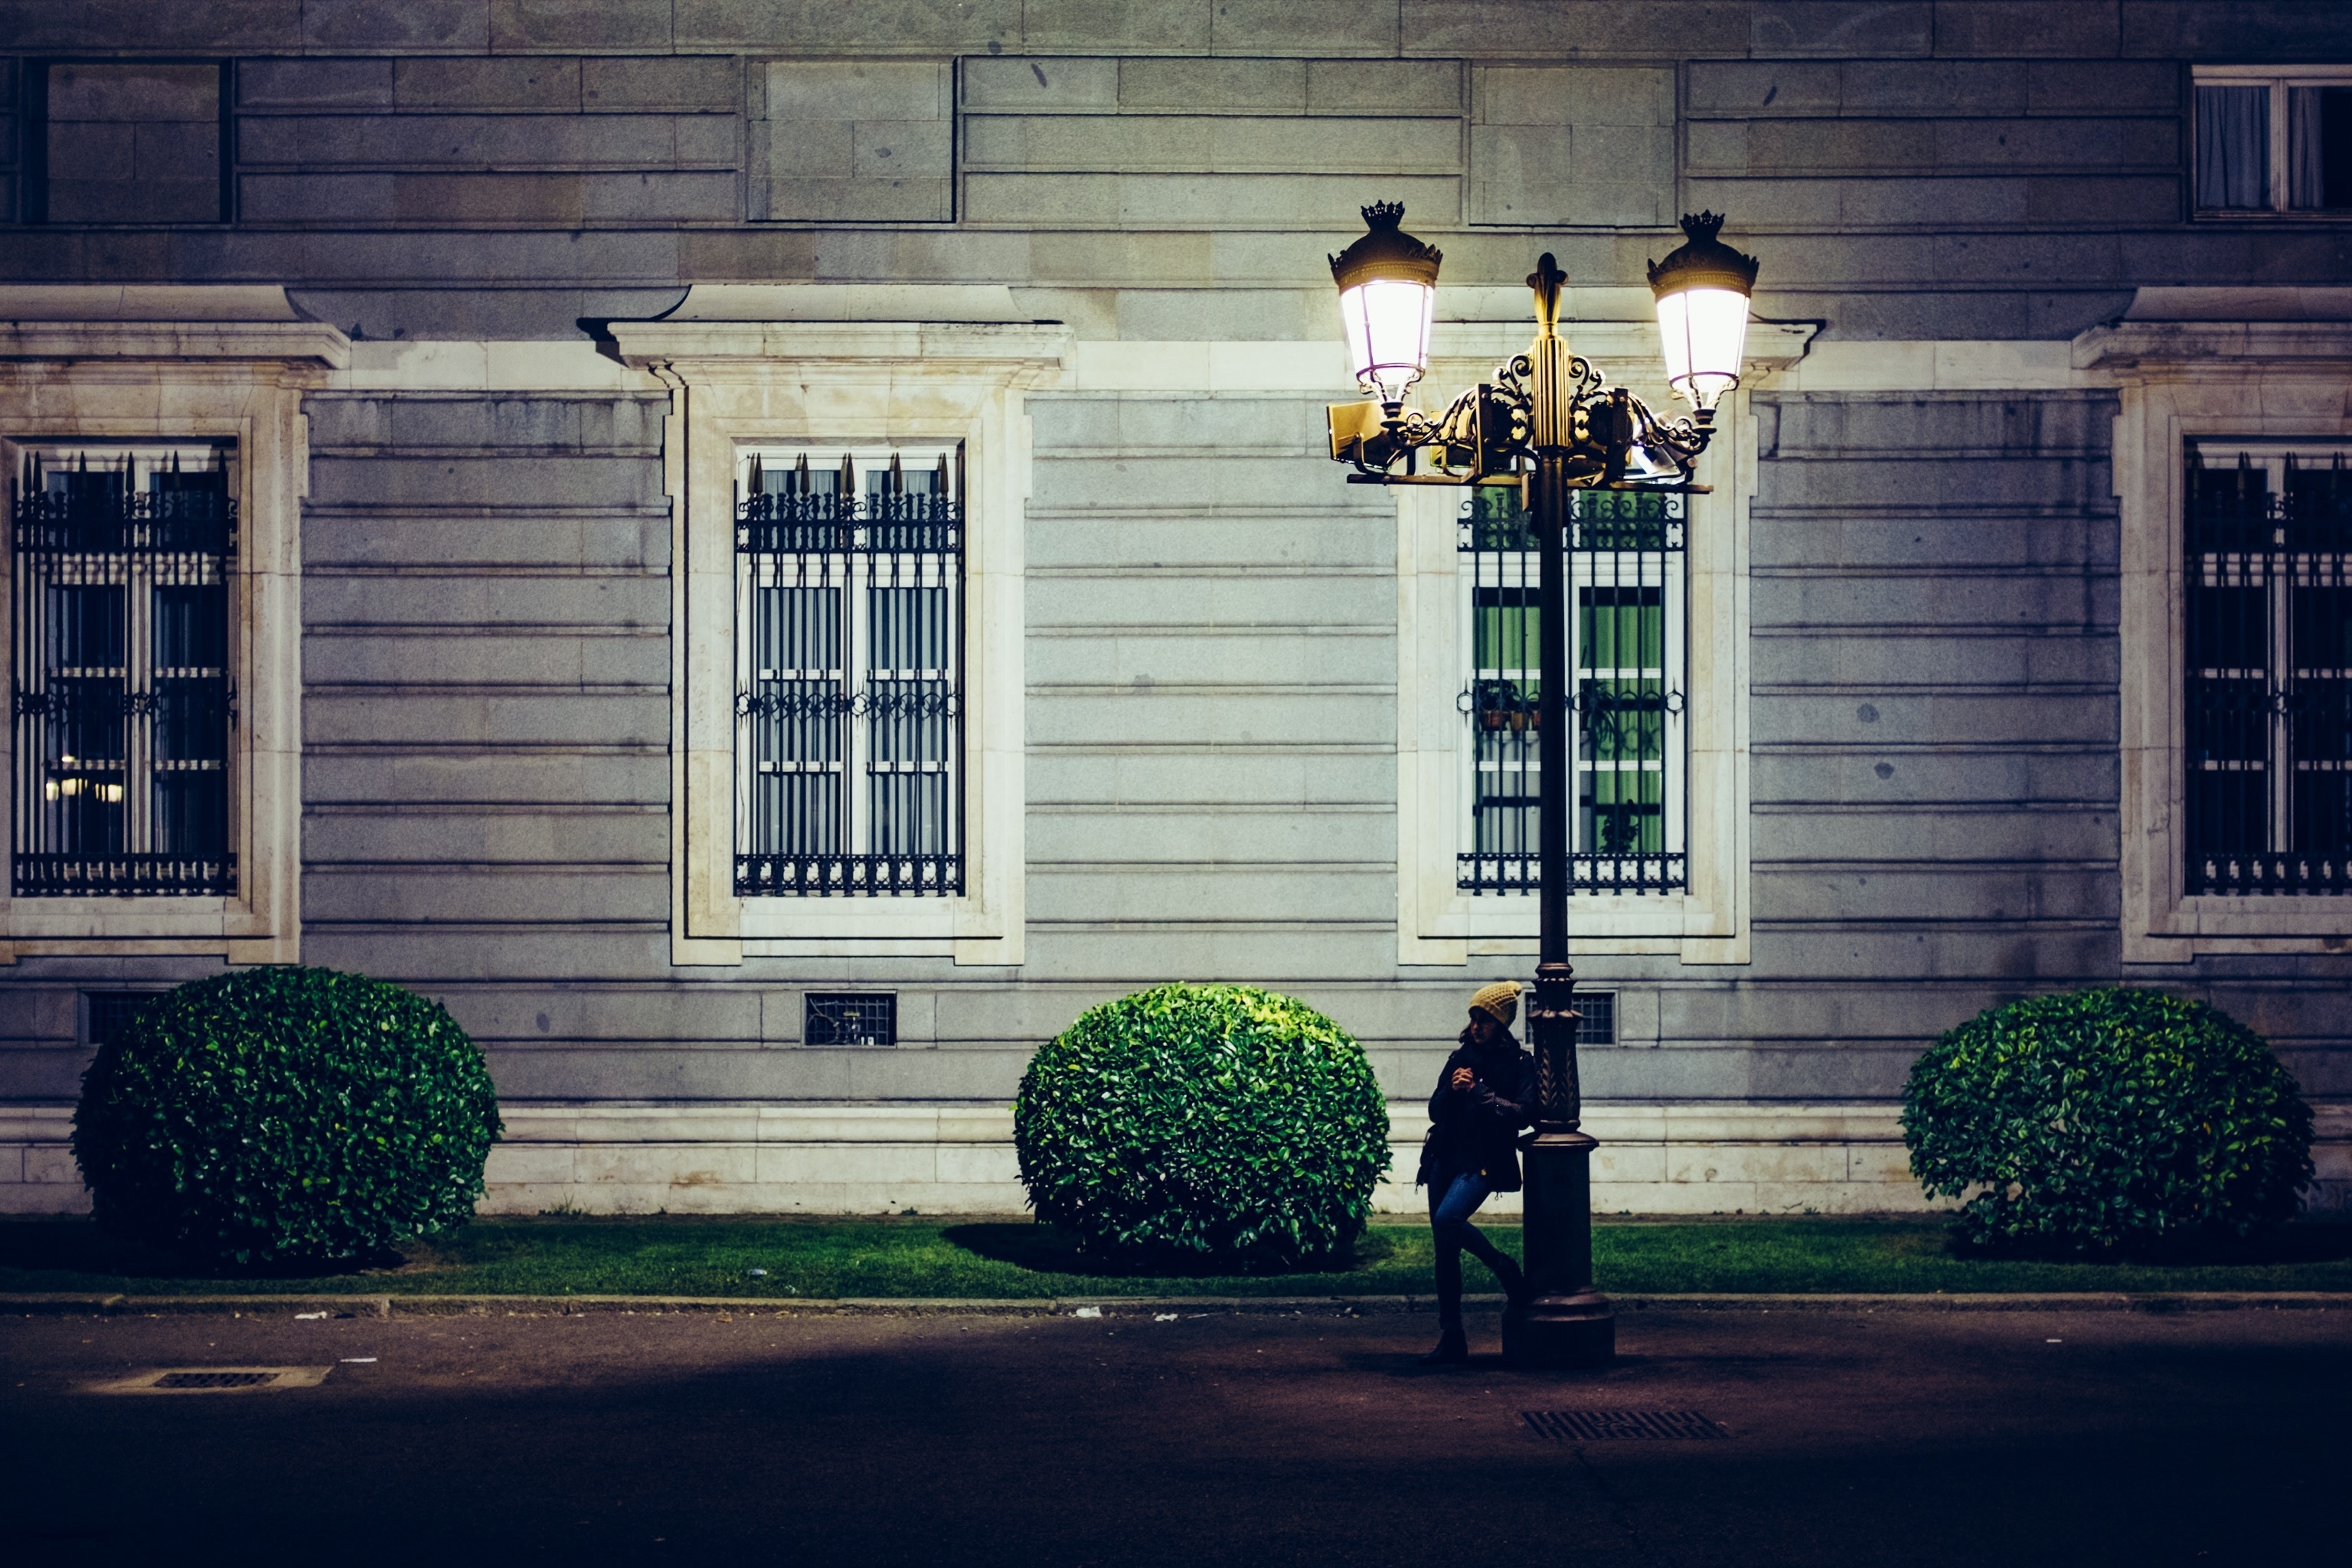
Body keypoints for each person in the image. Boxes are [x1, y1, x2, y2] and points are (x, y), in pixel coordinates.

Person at [1416, 980, 1536, 1364]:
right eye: (1473, 1018)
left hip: (1483, 1159)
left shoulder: (1521, 1063)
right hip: (1443, 1157)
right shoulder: (1459, 1057)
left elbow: (1523, 1115)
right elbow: (1435, 1111)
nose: (1475, 1026)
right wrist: (1453, 1090)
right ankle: (1452, 1337)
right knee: (1444, 1251)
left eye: (1483, 1019)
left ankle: (1503, 1266)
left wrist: (1481, 1094)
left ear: (1501, 1024)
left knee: (1449, 1219)